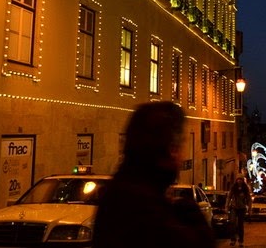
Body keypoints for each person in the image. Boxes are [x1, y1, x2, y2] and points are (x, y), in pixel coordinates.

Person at [93, 101, 215, 248]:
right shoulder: (148, 211)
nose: (182, 157)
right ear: (172, 149)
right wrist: (198, 228)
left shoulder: (116, 194)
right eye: (182, 144)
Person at [226, 176, 252, 247]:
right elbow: (229, 197)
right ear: (236, 180)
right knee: (232, 222)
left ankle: (241, 241)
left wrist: (249, 209)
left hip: (242, 208)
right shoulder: (233, 188)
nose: (239, 181)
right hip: (234, 208)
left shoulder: (245, 189)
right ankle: (233, 239)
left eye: (240, 179)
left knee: (240, 225)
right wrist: (227, 206)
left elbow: (249, 200)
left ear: (242, 181)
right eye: (238, 179)